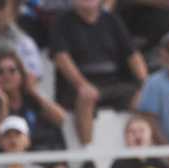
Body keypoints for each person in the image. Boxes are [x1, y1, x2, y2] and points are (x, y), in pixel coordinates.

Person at [50, 0, 148, 150]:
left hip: (113, 82)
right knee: (86, 95)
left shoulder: (112, 19)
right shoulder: (62, 21)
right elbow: (61, 58)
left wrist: (145, 83)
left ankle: (141, 151)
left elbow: (132, 54)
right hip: (76, 85)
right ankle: (87, 155)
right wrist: (81, 84)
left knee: (145, 97)